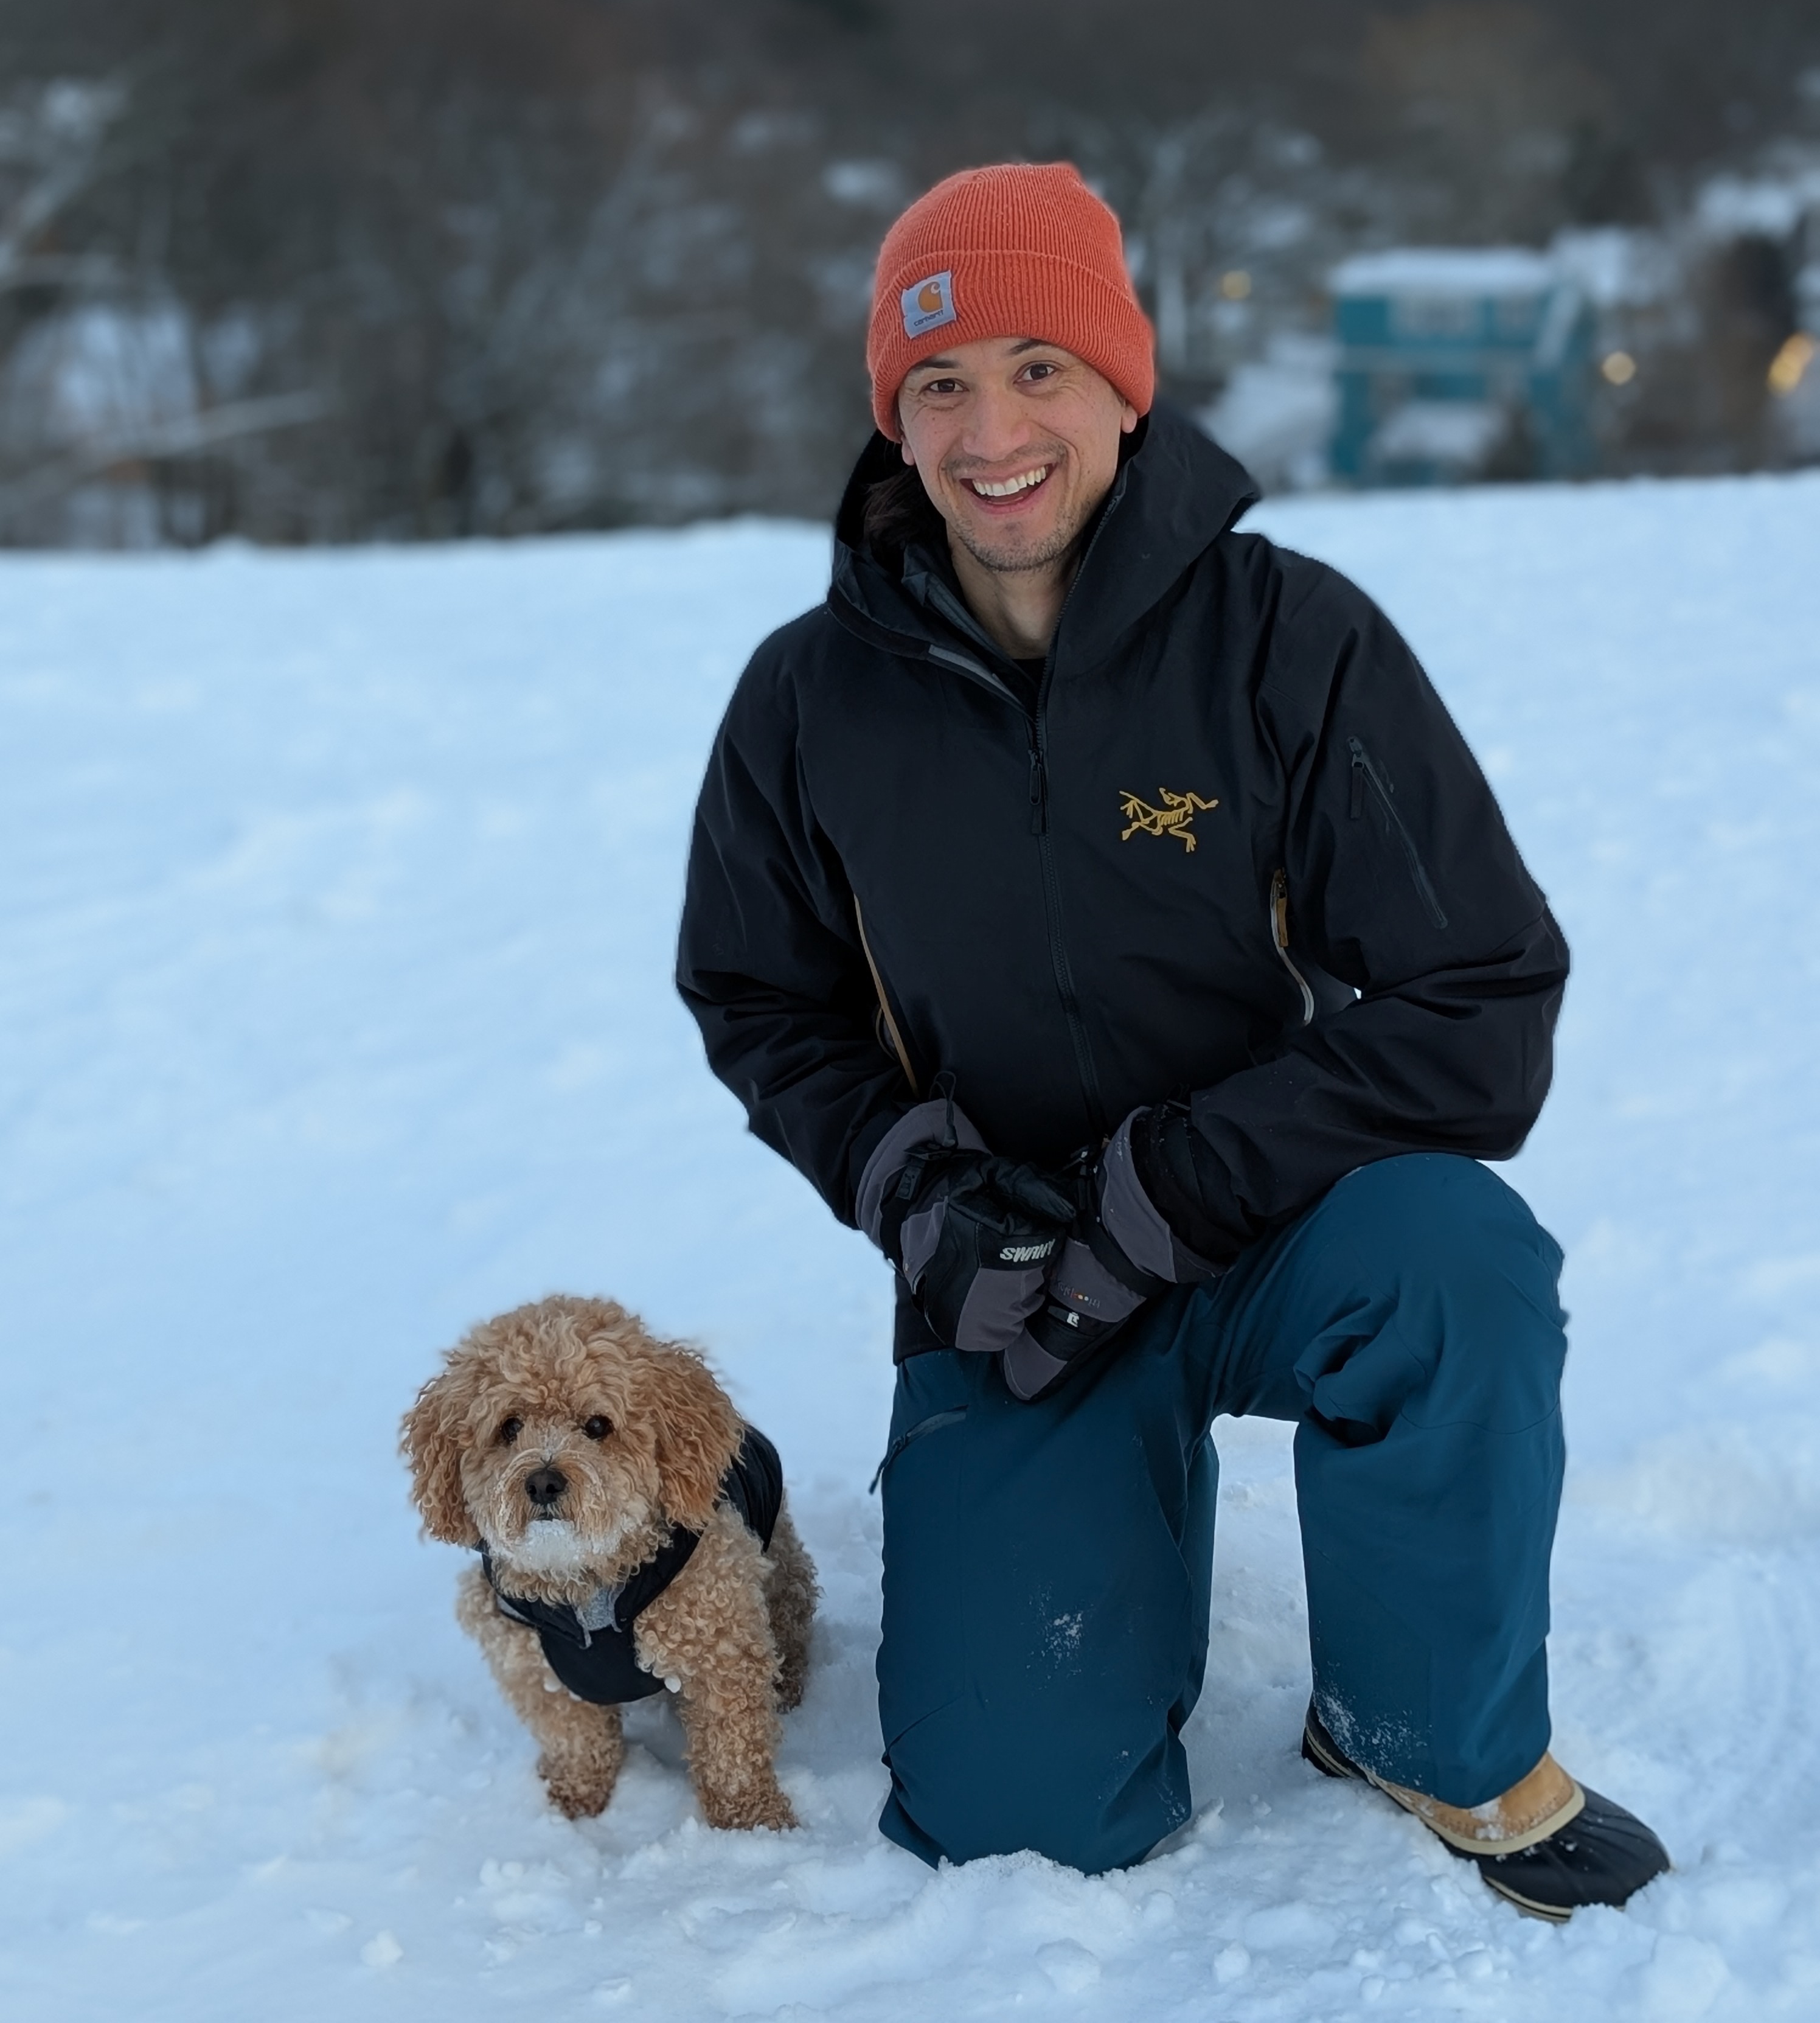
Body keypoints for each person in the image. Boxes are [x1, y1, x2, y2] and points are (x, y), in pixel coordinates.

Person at [676, 162, 1668, 1918]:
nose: (994, 430)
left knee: (1461, 1267)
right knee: (1021, 1816)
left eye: (1039, 368)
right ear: (892, 426)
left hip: (1268, 1220)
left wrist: (1192, 1184)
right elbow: (761, 1000)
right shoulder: (809, 700)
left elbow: (1484, 997)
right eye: (941, 385)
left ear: (1126, 386)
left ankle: (1420, 1729)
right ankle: (1105, 1529)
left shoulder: (1290, 640)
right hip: (1012, 1279)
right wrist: (914, 1192)